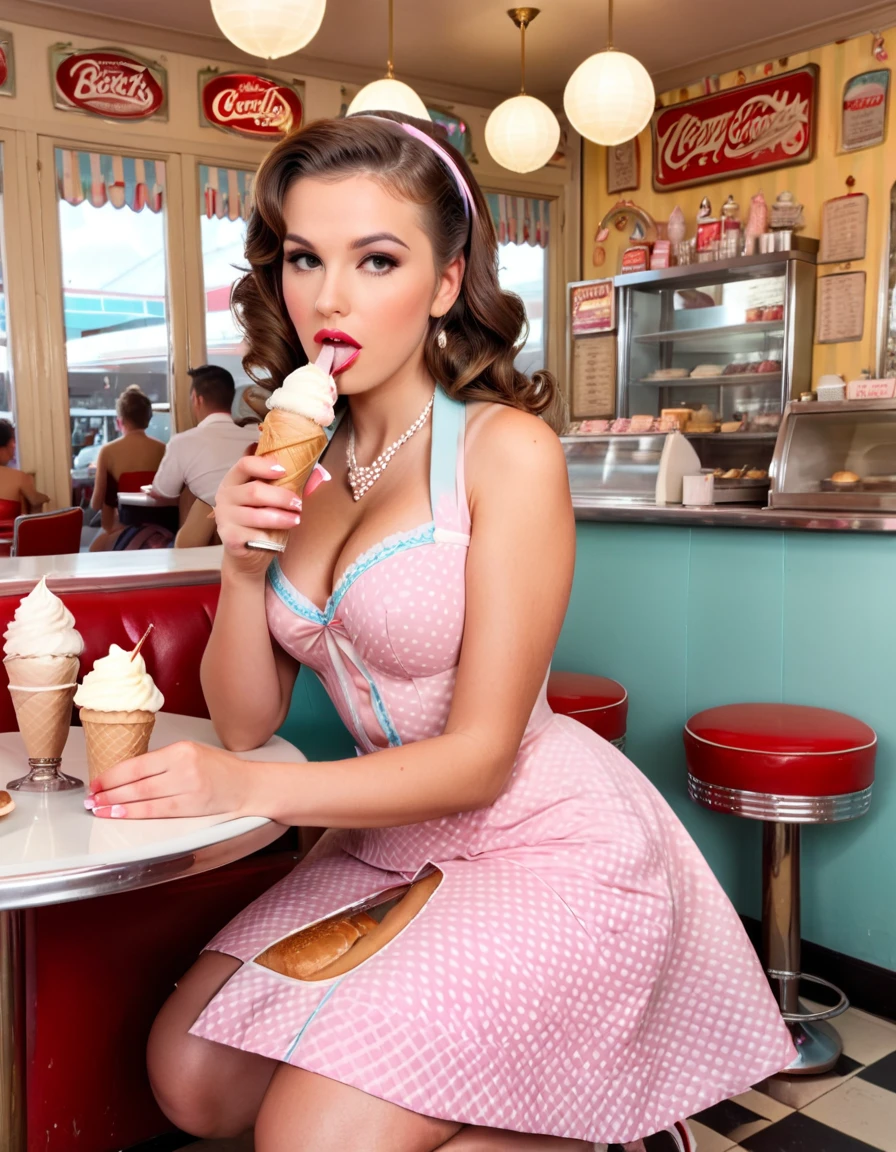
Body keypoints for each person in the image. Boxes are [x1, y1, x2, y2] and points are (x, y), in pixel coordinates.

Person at [85, 115, 796, 1152]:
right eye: (304, 259)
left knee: (309, 1137)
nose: (331, 296)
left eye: (376, 260)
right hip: (385, 837)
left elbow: (472, 761)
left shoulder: (503, 453)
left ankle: (615, 1128)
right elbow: (244, 723)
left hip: (541, 838)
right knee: (190, 1079)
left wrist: (253, 794)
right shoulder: (301, 463)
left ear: (445, 282)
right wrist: (240, 564)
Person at [151, 364, 259, 512]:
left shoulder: (182, 443)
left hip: (211, 531)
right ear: (232, 397)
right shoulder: (259, 433)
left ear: (197, 399)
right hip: (263, 526)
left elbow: (163, 494)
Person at [88, 385, 166, 552]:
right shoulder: (164, 449)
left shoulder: (108, 451)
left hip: (126, 530)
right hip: (163, 529)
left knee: (93, 551)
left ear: (119, 420)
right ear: (148, 419)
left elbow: (95, 503)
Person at [0, 420, 49, 512]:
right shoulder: (19, 477)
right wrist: (45, 497)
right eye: (13, 442)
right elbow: (35, 501)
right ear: (10, 444)